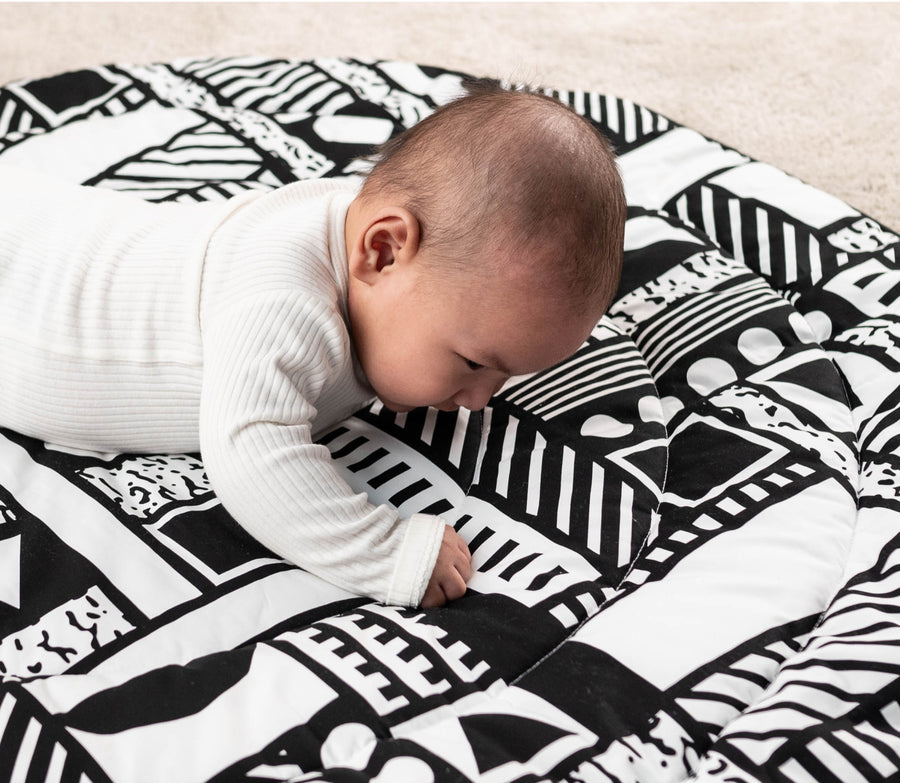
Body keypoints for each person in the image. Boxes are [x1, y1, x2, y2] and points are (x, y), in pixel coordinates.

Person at [0, 81, 626, 608]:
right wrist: (383, 551)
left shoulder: (382, 258)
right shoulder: (283, 299)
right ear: (381, 252)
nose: (478, 403)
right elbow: (250, 453)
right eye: (472, 364)